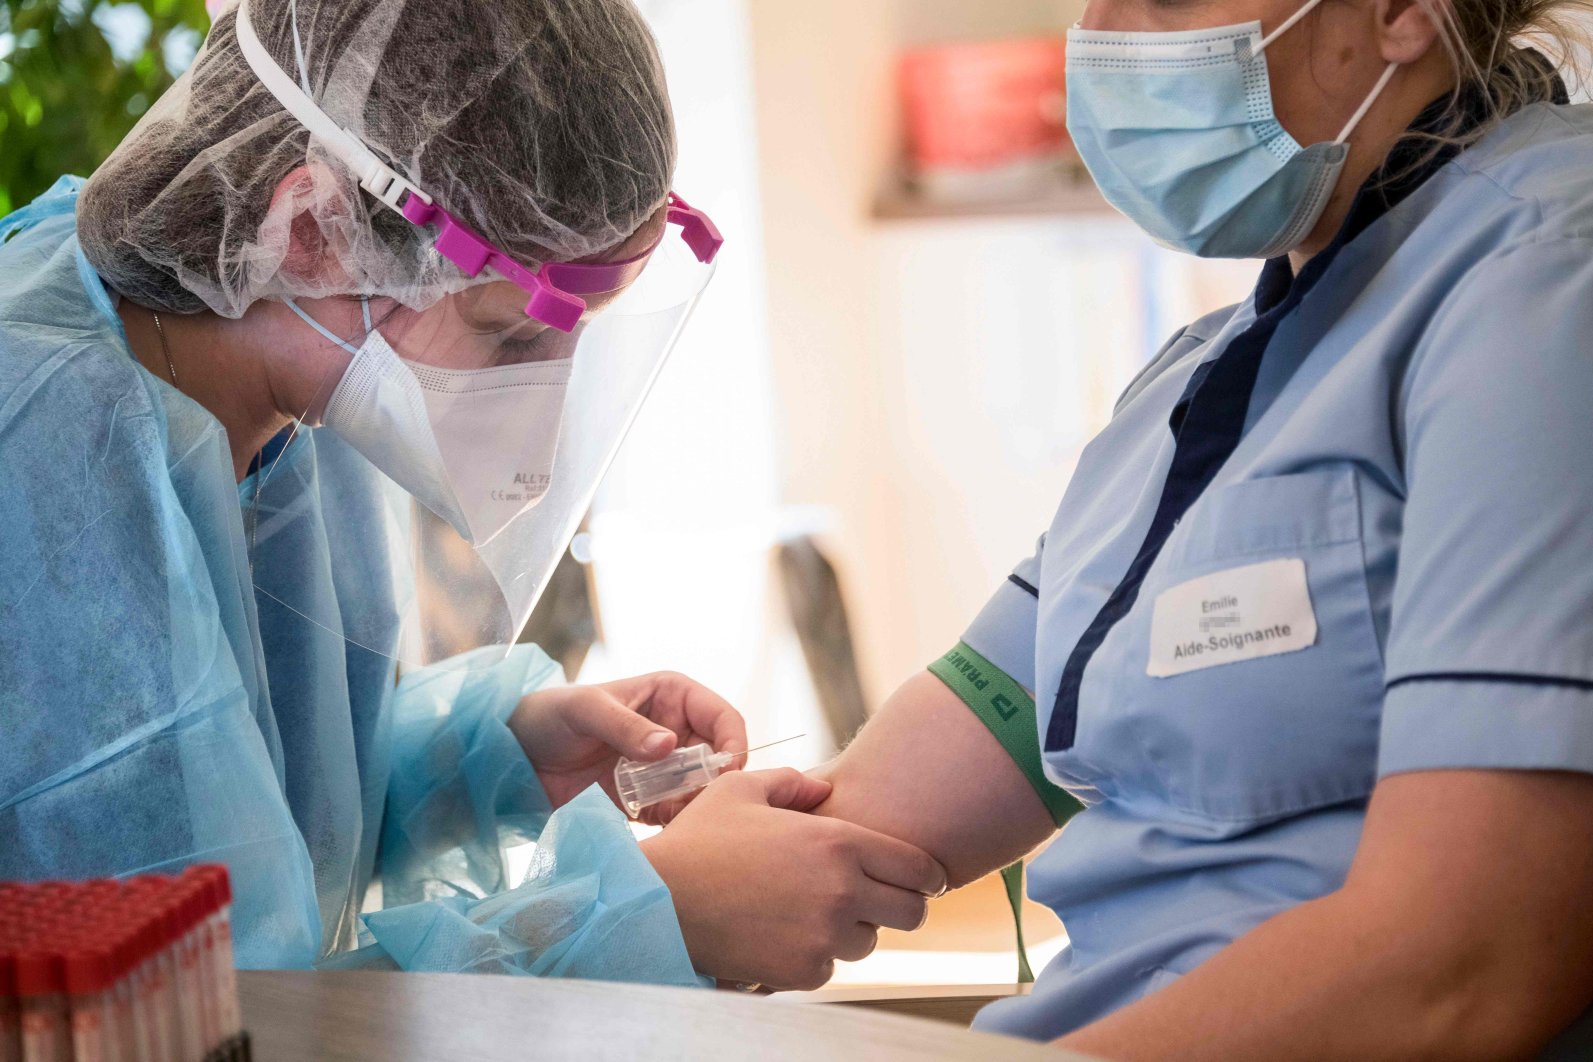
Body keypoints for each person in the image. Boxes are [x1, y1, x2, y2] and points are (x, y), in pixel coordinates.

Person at [0, 0, 944, 985]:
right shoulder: (40, 454)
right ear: (311, 227)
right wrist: (642, 921)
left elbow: (236, 792)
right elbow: (192, 1018)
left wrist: (493, 761)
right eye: (511, 335)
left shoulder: (292, 375)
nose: (543, 396)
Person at [774, 0, 1593, 1054]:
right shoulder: (1208, 375)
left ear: (1396, 15)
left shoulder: (1549, 271)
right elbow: (896, 795)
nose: (1105, 34)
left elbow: (1467, 957)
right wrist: (616, 906)